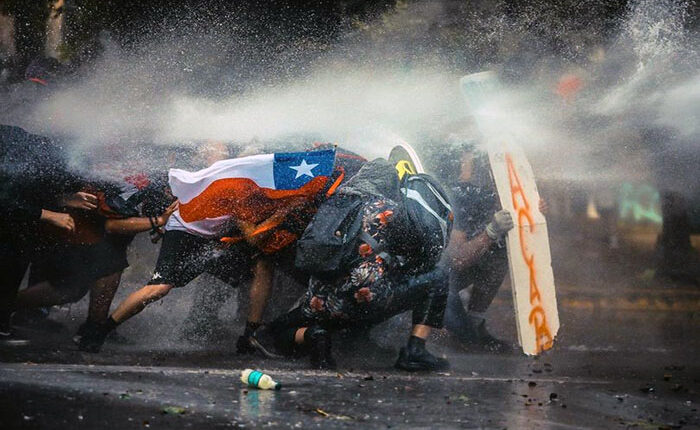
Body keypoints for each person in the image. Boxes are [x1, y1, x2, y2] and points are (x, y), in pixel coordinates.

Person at [78, 146, 354, 353]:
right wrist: (284, 212)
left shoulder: (252, 189)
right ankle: (100, 330)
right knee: (160, 288)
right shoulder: (237, 189)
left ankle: (250, 336)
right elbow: (253, 237)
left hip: (214, 240)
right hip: (185, 233)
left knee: (263, 264)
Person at [256, 157, 454, 371]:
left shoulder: (332, 204)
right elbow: (418, 255)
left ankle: (314, 335)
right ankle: (415, 351)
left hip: (321, 302)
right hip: (367, 301)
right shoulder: (389, 209)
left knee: (273, 332)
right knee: (438, 277)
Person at [0, 124, 90, 345]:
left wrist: (63, 198)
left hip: (16, 231)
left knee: (12, 270)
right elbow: (5, 201)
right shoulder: (25, 155)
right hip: (9, 228)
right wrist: (47, 214)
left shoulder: (28, 146)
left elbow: (26, 188)